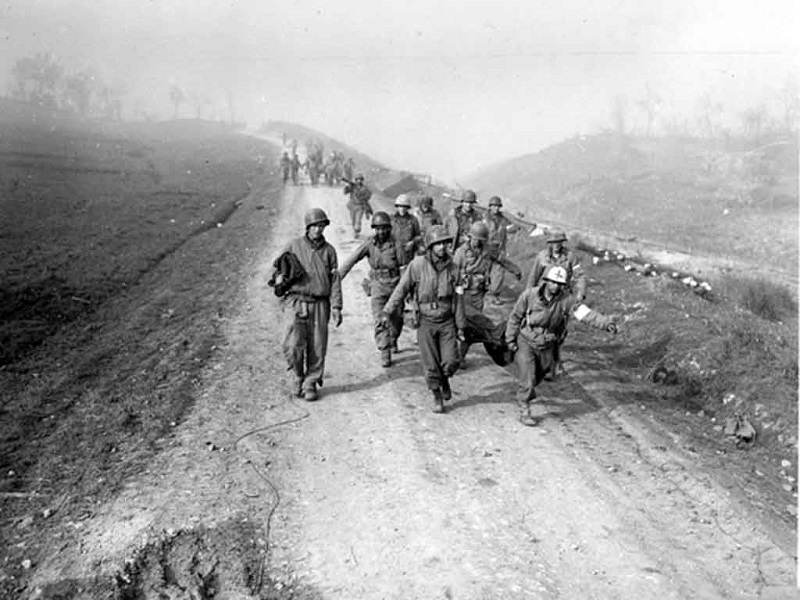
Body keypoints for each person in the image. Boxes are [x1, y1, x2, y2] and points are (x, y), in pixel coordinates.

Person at [505, 266, 617, 426]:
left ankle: (525, 389)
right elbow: (515, 317)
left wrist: (605, 323)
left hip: (547, 343)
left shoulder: (566, 300)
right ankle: (525, 408)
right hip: (527, 339)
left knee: (539, 374)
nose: (555, 286)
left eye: (559, 283)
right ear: (546, 281)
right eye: (553, 282)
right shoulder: (530, 295)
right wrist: (510, 339)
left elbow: (585, 314)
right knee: (528, 378)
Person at [380, 225, 465, 414]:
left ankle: (445, 379)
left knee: (451, 360)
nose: (443, 247)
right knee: (430, 364)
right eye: (438, 243)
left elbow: (459, 298)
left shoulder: (454, 269)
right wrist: (387, 311)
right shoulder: (417, 266)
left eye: (445, 242)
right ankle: (437, 395)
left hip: (446, 321)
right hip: (425, 321)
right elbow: (401, 290)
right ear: (430, 245)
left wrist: (461, 326)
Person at [276, 208, 343, 402]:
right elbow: (278, 266)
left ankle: (311, 382)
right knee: (292, 345)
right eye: (314, 226)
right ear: (308, 227)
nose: (318, 229)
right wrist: (279, 278)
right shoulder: (294, 246)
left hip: (320, 304)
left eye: (321, 226)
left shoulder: (329, 251)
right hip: (296, 302)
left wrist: (337, 306)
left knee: (318, 345)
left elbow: (335, 280)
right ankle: (298, 375)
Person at [339, 211, 405, 367]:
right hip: (377, 285)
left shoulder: (397, 243)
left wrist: (406, 289)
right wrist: (338, 277)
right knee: (379, 318)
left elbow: (404, 267)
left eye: (384, 228)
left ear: (389, 228)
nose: (381, 232)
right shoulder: (369, 244)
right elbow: (353, 259)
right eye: (378, 228)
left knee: (397, 319)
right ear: (374, 229)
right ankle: (385, 350)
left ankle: (393, 338)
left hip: (395, 285)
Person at [453, 221, 522, 366]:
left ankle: (460, 356)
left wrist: (515, 269)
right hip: (463, 295)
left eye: (481, 240)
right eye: (476, 239)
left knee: (473, 327)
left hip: (478, 294)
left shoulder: (487, 250)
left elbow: (502, 260)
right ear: (470, 237)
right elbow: (452, 273)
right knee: (462, 325)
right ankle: (456, 355)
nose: (478, 242)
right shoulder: (461, 253)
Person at [525, 229, 587, 376]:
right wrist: (528, 296)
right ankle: (535, 361)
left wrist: (580, 293)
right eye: (553, 242)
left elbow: (580, 275)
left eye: (559, 242)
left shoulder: (570, 257)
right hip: (543, 298)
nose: (556, 245)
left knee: (558, 333)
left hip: (561, 299)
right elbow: (533, 277)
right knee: (538, 329)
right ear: (549, 243)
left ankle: (553, 365)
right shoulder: (542, 257)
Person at [484, 196, 519, 305]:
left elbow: (513, 227)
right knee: (483, 272)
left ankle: (494, 295)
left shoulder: (503, 219)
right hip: (485, 248)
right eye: (494, 206)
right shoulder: (484, 218)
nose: (496, 208)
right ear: (490, 207)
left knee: (498, 273)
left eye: (498, 206)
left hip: (499, 249)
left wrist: (516, 220)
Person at [391, 194, 422, 266]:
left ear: (407, 207)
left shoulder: (413, 220)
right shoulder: (391, 219)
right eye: (400, 206)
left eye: (404, 206)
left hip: (407, 255)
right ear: (397, 207)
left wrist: (413, 242)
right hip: (393, 253)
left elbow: (418, 236)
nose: (402, 209)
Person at [343, 174, 374, 239]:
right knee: (353, 220)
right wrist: (347, 186)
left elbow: (369, 195)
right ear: (356, 180)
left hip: (360, 206)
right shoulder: (352, 186)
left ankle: (357, 232)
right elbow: (345, 192)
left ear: (362, 180)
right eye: (357, 179)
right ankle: (355, 231)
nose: (359, 181)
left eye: (360, 179)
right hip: (352, 205)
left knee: (358, 220)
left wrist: (363, 197)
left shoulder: (364, 188)